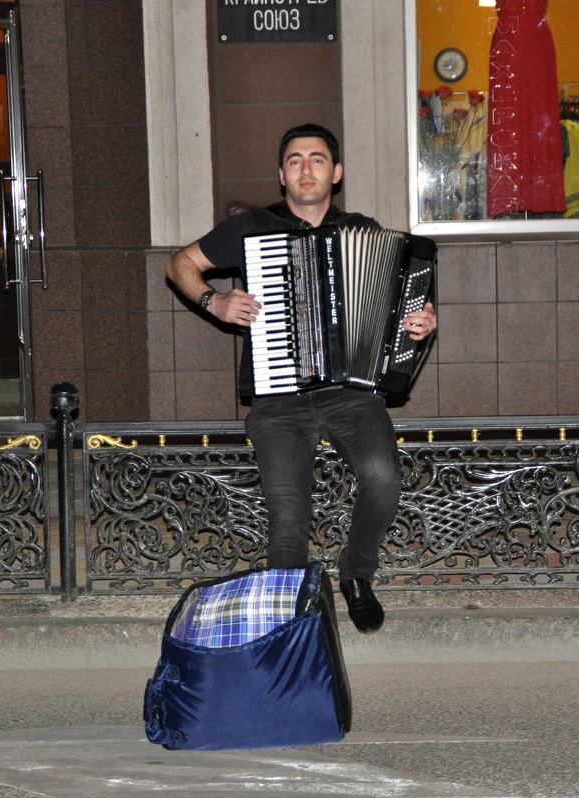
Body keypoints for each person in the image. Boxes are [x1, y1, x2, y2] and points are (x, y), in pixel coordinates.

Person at [165, 123, 438, 633]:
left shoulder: (365, 230)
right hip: (279, 397)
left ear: (335, 173)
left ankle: (356, 574)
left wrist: (421, 322)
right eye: (294, 160)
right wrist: (215, 300)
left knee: (383, 479)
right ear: (282, 176)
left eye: (316, 159)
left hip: (351, 393)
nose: (305, 168)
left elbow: (406, 309)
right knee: (288, 517)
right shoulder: (250, 228)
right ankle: (286, 629)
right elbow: (180, 263)